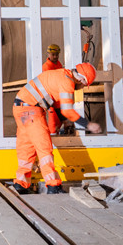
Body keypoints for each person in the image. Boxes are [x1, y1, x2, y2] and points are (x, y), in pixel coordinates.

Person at [12, 62, 99, 194]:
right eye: (83, 85)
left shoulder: (62, 74)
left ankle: (21, 183)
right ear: (81, 79)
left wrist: (65, 121)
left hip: (20, 107)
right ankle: (53, 185)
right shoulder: (67, 82)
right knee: (44, 148)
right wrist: (88, 125)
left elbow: (57, 105)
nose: (81, 88)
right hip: (31, 110)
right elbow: (67, 110)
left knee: (26, 147)